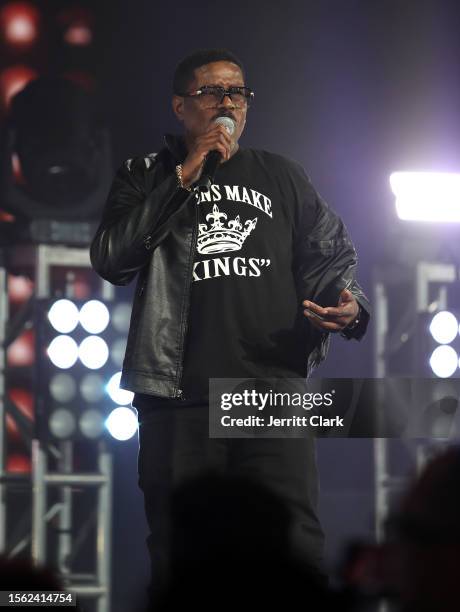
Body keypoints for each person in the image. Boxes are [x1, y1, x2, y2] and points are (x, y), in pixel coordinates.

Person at [90, 48, 370, 603]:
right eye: (211, 92)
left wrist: (351, 308)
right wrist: (185, 174)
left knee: (294, 546)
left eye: (237, 92)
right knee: (184, 551)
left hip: (272, 393)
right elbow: (112, 258)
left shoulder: (282, 175)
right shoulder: (146, 174)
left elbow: (331, 262)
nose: (227, 102)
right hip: (181, 393)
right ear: (180, 106)